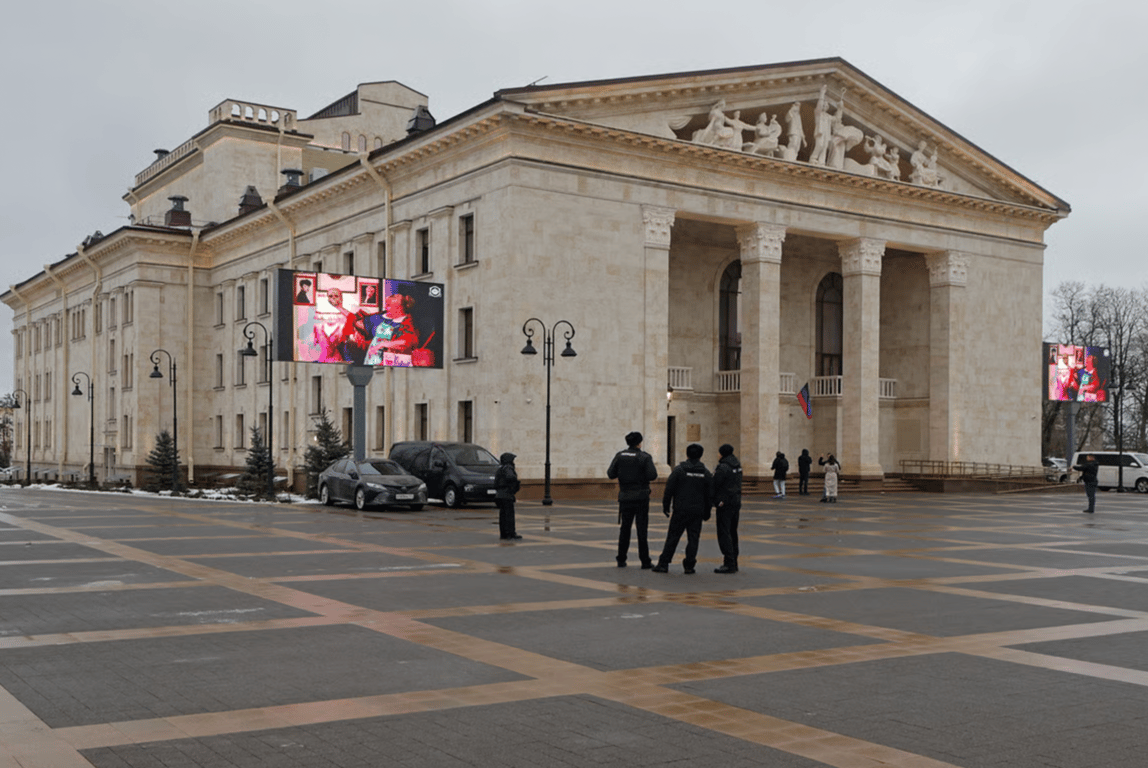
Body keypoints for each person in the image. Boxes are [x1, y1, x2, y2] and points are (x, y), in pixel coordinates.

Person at [652, 443, 712, 574]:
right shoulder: (705, 473)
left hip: (680, 509)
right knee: (693, 538)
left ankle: (664, 563)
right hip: (697, 511)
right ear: (701, 456)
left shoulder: (679, 470)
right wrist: (707, 511)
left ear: (687, 454)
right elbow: (709, 495)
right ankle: (689, 565)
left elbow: (669, 489)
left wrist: (666, 505)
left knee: (673, 537)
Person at [607, 431, 658, 568]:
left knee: (625, 528)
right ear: (640, 443)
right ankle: (645, 561)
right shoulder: (645, 457)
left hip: (625, 497)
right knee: (642, 530)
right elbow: (652, 475)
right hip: (641, 498)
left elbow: (611, 474)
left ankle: (621, 558)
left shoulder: (620, 456)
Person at [363, 293, 420, 365]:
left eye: (388, 305)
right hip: (373, 357)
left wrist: (382, 344)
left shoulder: (407, 322)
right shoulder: (385, 318)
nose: (386, 308)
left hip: (391, 362)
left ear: (399, 308)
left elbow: (406, 342)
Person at [711, 443, 742, 573]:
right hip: (735, 502)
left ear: (722, 453)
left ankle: (729, 563)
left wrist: (714, 501)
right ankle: (734, 561)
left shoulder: (723, 467)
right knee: (733, 532)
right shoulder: (737, 465)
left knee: (724, 532)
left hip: (724, 503)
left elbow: (715, 484)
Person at [494, 452, 522, 538]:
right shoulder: (508, 467)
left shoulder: (500, 469)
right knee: (509, 515)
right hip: (507, 495)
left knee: (503, 516)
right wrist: (515, 485)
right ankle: (510, 533)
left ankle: (504, 534)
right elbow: (511, 477)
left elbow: (495, 483)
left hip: (500, 495)